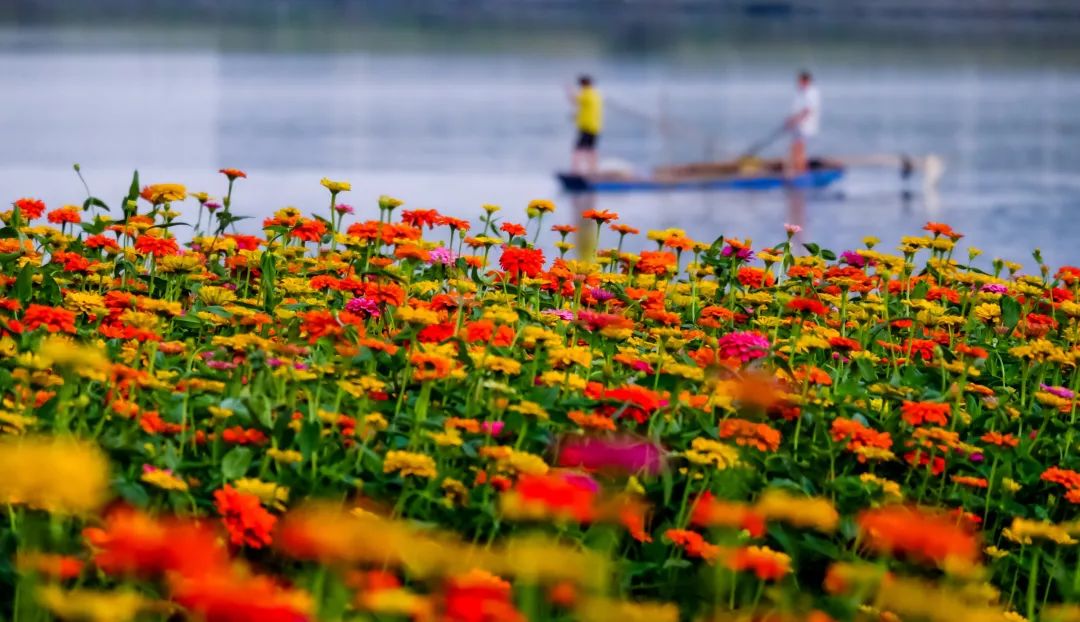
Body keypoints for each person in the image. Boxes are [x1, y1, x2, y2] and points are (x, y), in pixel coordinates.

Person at [785, 70, 820, 175]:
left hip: (806, 126)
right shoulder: (801, 92)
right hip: (799, 126)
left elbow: (808, 110)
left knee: (799, 148)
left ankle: (801, 172)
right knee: (794, 148)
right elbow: (798, 108)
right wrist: (791, 120)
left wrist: (795, 120)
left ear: (806, 81)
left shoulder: (812, 92)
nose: (798, 83)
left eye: (800, 81)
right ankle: (797, 169)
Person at [567, 74, 603, 175]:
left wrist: (568, 90)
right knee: (591, 149)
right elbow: (586, 109)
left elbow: (573, 100)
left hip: (586, 127)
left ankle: (575, 171)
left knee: (578, 150)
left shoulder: (586, 93)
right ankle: (593, 170)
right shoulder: (596, 94)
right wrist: (576, 117)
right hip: (596, 127)